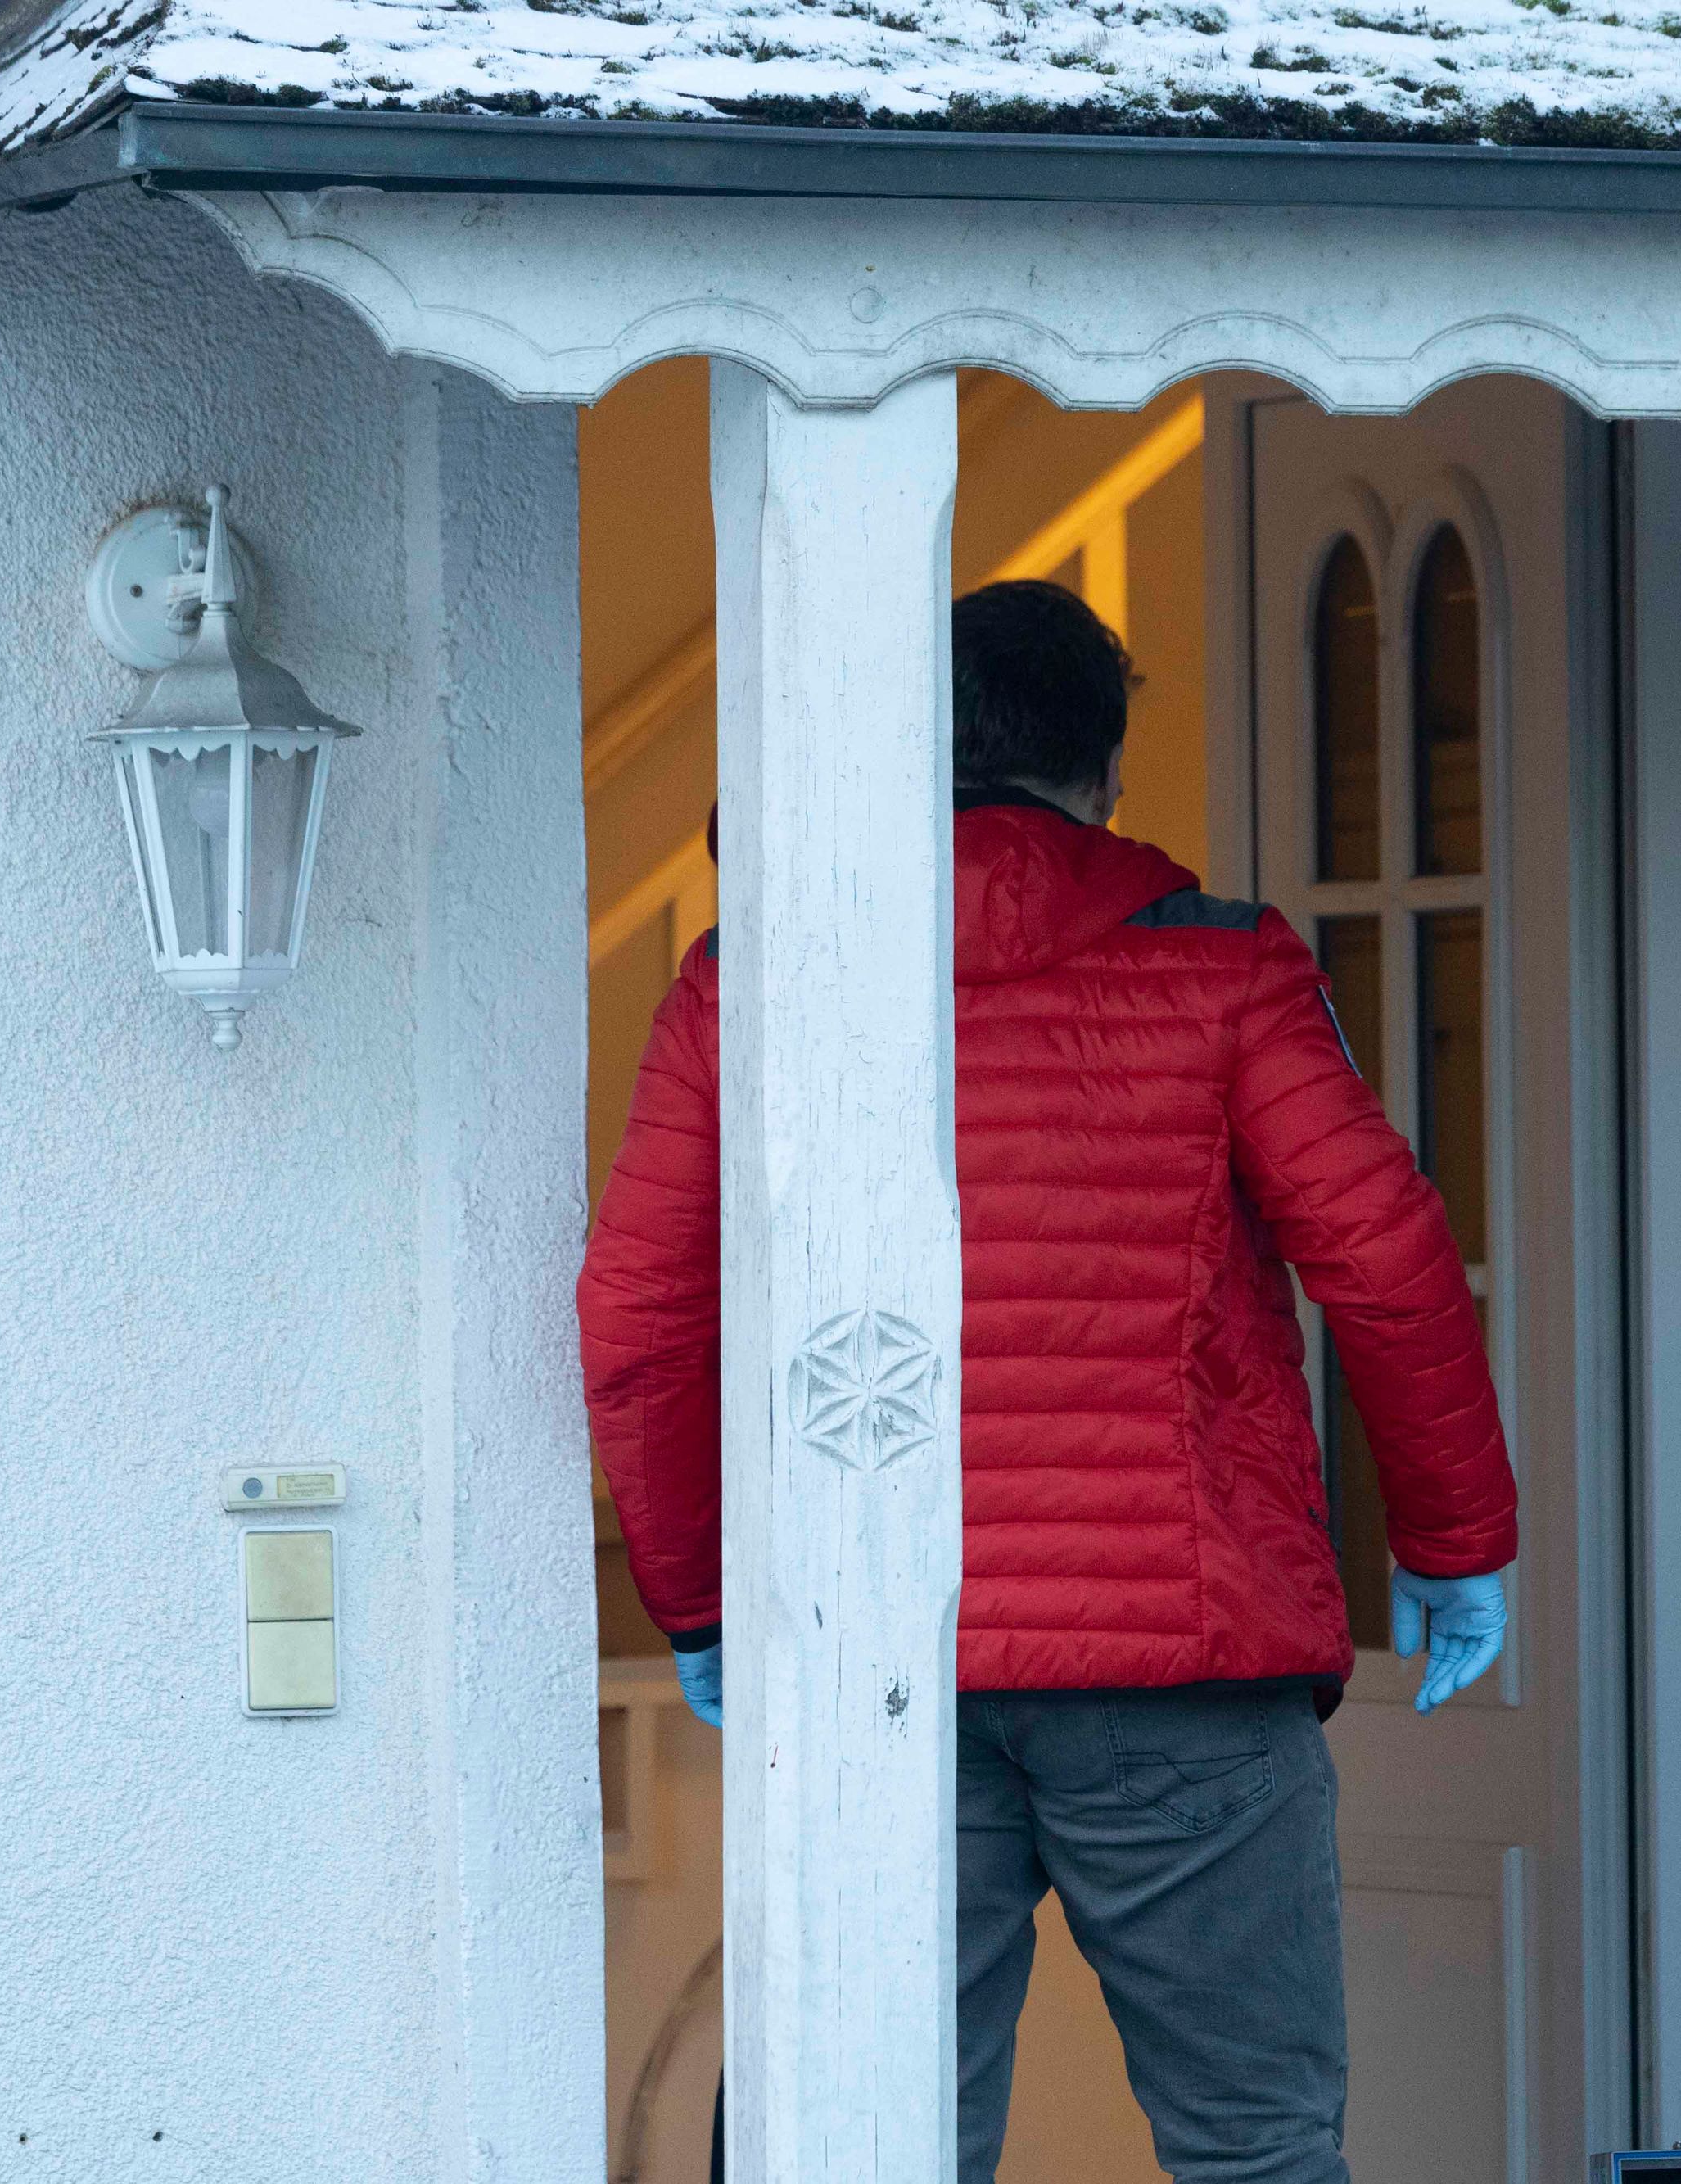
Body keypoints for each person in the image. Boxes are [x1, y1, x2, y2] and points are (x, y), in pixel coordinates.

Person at [580, 579, 1519, 2184]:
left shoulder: (757, 973)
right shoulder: (1219, 967)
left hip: (868, 1652)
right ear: (1098, 771)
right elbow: (1387, 1255)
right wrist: (1450, 1539)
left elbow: (642, 1314)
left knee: (849, 2149)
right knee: (1253, 2145)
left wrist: (697, 1598)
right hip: (1181, 1652)